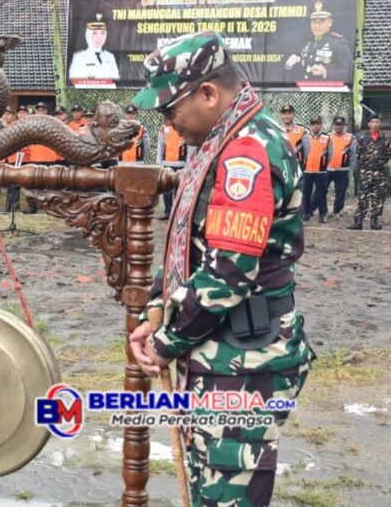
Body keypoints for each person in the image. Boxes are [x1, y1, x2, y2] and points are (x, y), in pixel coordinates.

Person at [129, 31, 313, 507]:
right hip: (219, 349)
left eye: (170, 109)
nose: (167, 121)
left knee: (227, 492)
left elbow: (228, 272)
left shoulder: (246, 151)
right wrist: (155, 308)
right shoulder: (222, 139)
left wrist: (167, 341)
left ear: (209, 94)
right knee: (205, 480)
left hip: (243, 361)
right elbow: (192, 245)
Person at [285, 1, 351, 82]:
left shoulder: (338, 43)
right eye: (314, 21)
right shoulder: (306, 42)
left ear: (330, 22)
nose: (317, 25)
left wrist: (325, 73)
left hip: (327, 93)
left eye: (322, 21)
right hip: (304, 91)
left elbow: (349, 72)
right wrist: (289, 65)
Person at [348, 114, 391, 230]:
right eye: (373, 122)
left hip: (380, 172)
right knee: (362, 197)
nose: (375, 124)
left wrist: (378, 163)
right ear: (369, 124)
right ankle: (358, 221)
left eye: (377, 122)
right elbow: (358, 155)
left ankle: (374, 221)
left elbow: (388, 155)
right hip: (365, 172)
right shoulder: (362, 139)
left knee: (378, 198)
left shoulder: (386, 140)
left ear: (380, 124)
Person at [69, 14, 120, 81]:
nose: (99, 37)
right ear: (88, 35)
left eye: (102, 33)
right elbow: (75, 83)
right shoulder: (79, 58)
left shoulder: (110, 57)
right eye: (94, 33)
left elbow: (116, 82)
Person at [156, 117, 188, 220]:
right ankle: (168, 212)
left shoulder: (183, 127)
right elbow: (160, 145)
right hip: (166, 163)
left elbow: (189, 145)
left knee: (179, 190)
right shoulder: (163, 128)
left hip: (181, 163)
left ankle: (178, 213)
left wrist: (189, 163)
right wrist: (159, 161)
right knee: (167, 190)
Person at [326, 116, 356, 219]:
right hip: (327, 169)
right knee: (320, 190)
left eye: (340, 124)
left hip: (342, 169)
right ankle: (315, 210)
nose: (338, 127)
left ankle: (337, 211)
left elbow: (353, 153)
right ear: (333, 125)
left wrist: (350, 167)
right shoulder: (327, 136)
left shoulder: (350, 137)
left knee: (341, 192)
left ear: (344, 125)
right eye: (336, 124)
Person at [303, 117, 332, 222]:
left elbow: (331, 154)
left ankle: (322, 214)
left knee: (321, 194)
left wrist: (324, 164)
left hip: (321, 171)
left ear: (321, 125)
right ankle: (306, 213)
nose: (315, 126)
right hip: (307, 170)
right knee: (306, 193)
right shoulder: (305, 137)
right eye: (313, 124)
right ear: (310, 126)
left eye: (317, 124)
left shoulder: (327, 138)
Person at [281, 103, 309, 169]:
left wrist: (300, 159)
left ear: (293, 115)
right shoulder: (277, 129)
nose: (286, 116)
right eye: (284, 114)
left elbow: (307, 149)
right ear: (281, 115)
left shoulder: (302, 130)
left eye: (289, 113)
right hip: (283, 164)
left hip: (298, 164)